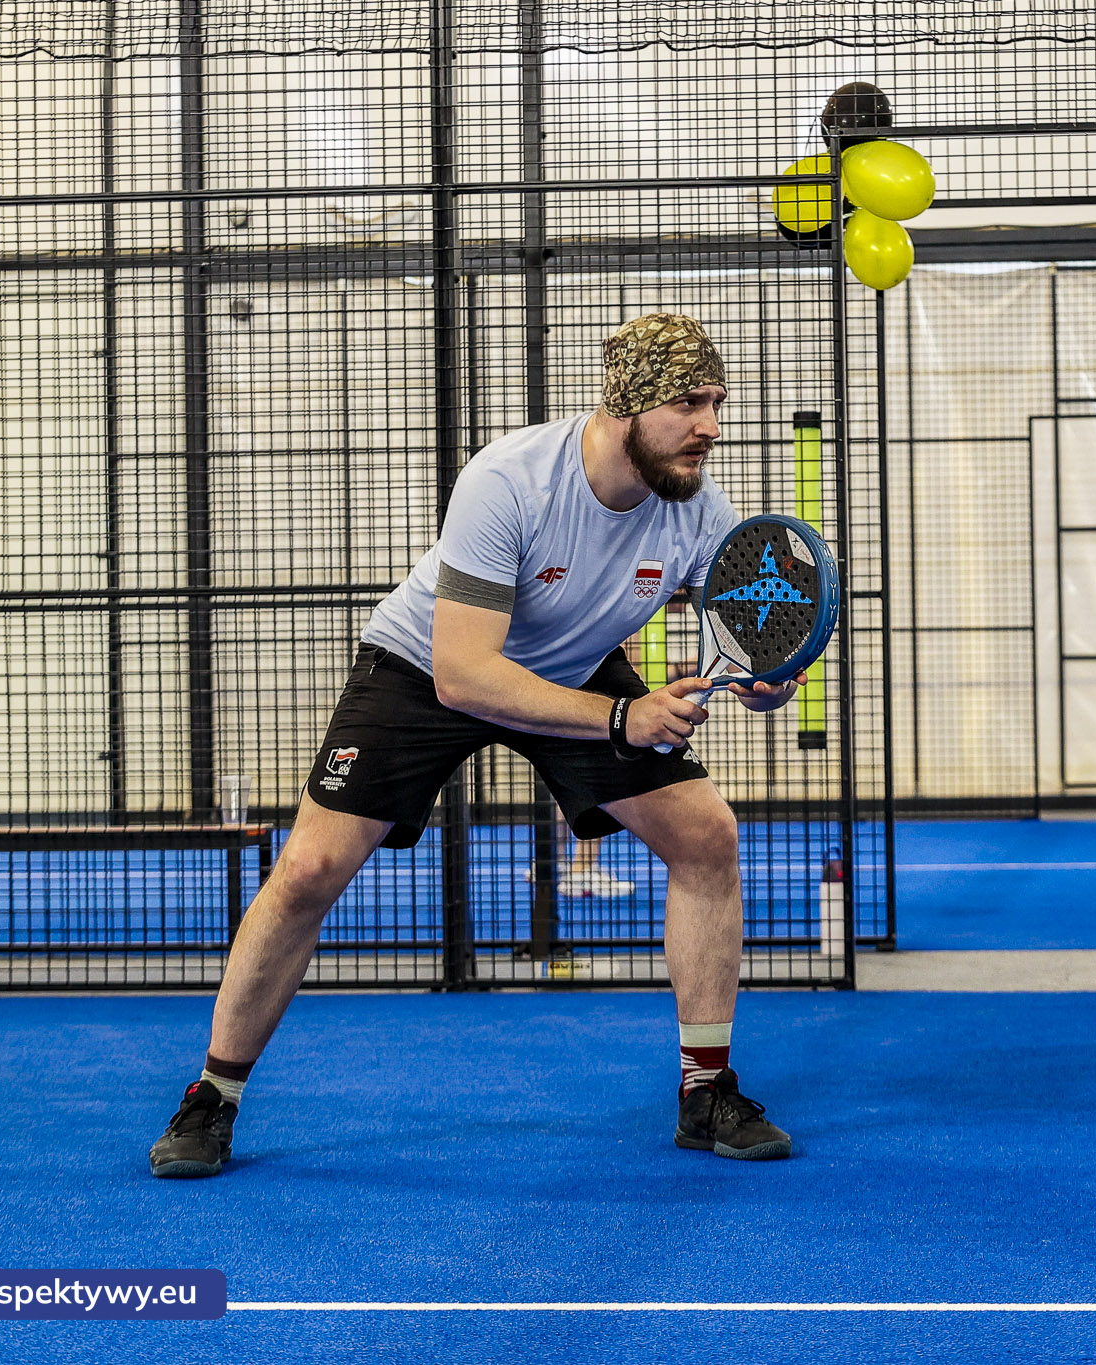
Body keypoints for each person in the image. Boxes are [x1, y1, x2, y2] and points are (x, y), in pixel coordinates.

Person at [149, 313, 802, 1177]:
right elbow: (464, 673)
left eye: (716, 402)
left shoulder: (697, 511)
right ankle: (211, 1099)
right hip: (427, 665)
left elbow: (747, 640)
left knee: (707, 834)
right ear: (628, 406)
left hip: (572, 664)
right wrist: (621, 719)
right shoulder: (510, 479)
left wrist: (763, 683)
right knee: (307, 870)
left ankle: (704, 1088)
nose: (711, 425)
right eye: (689, 401)